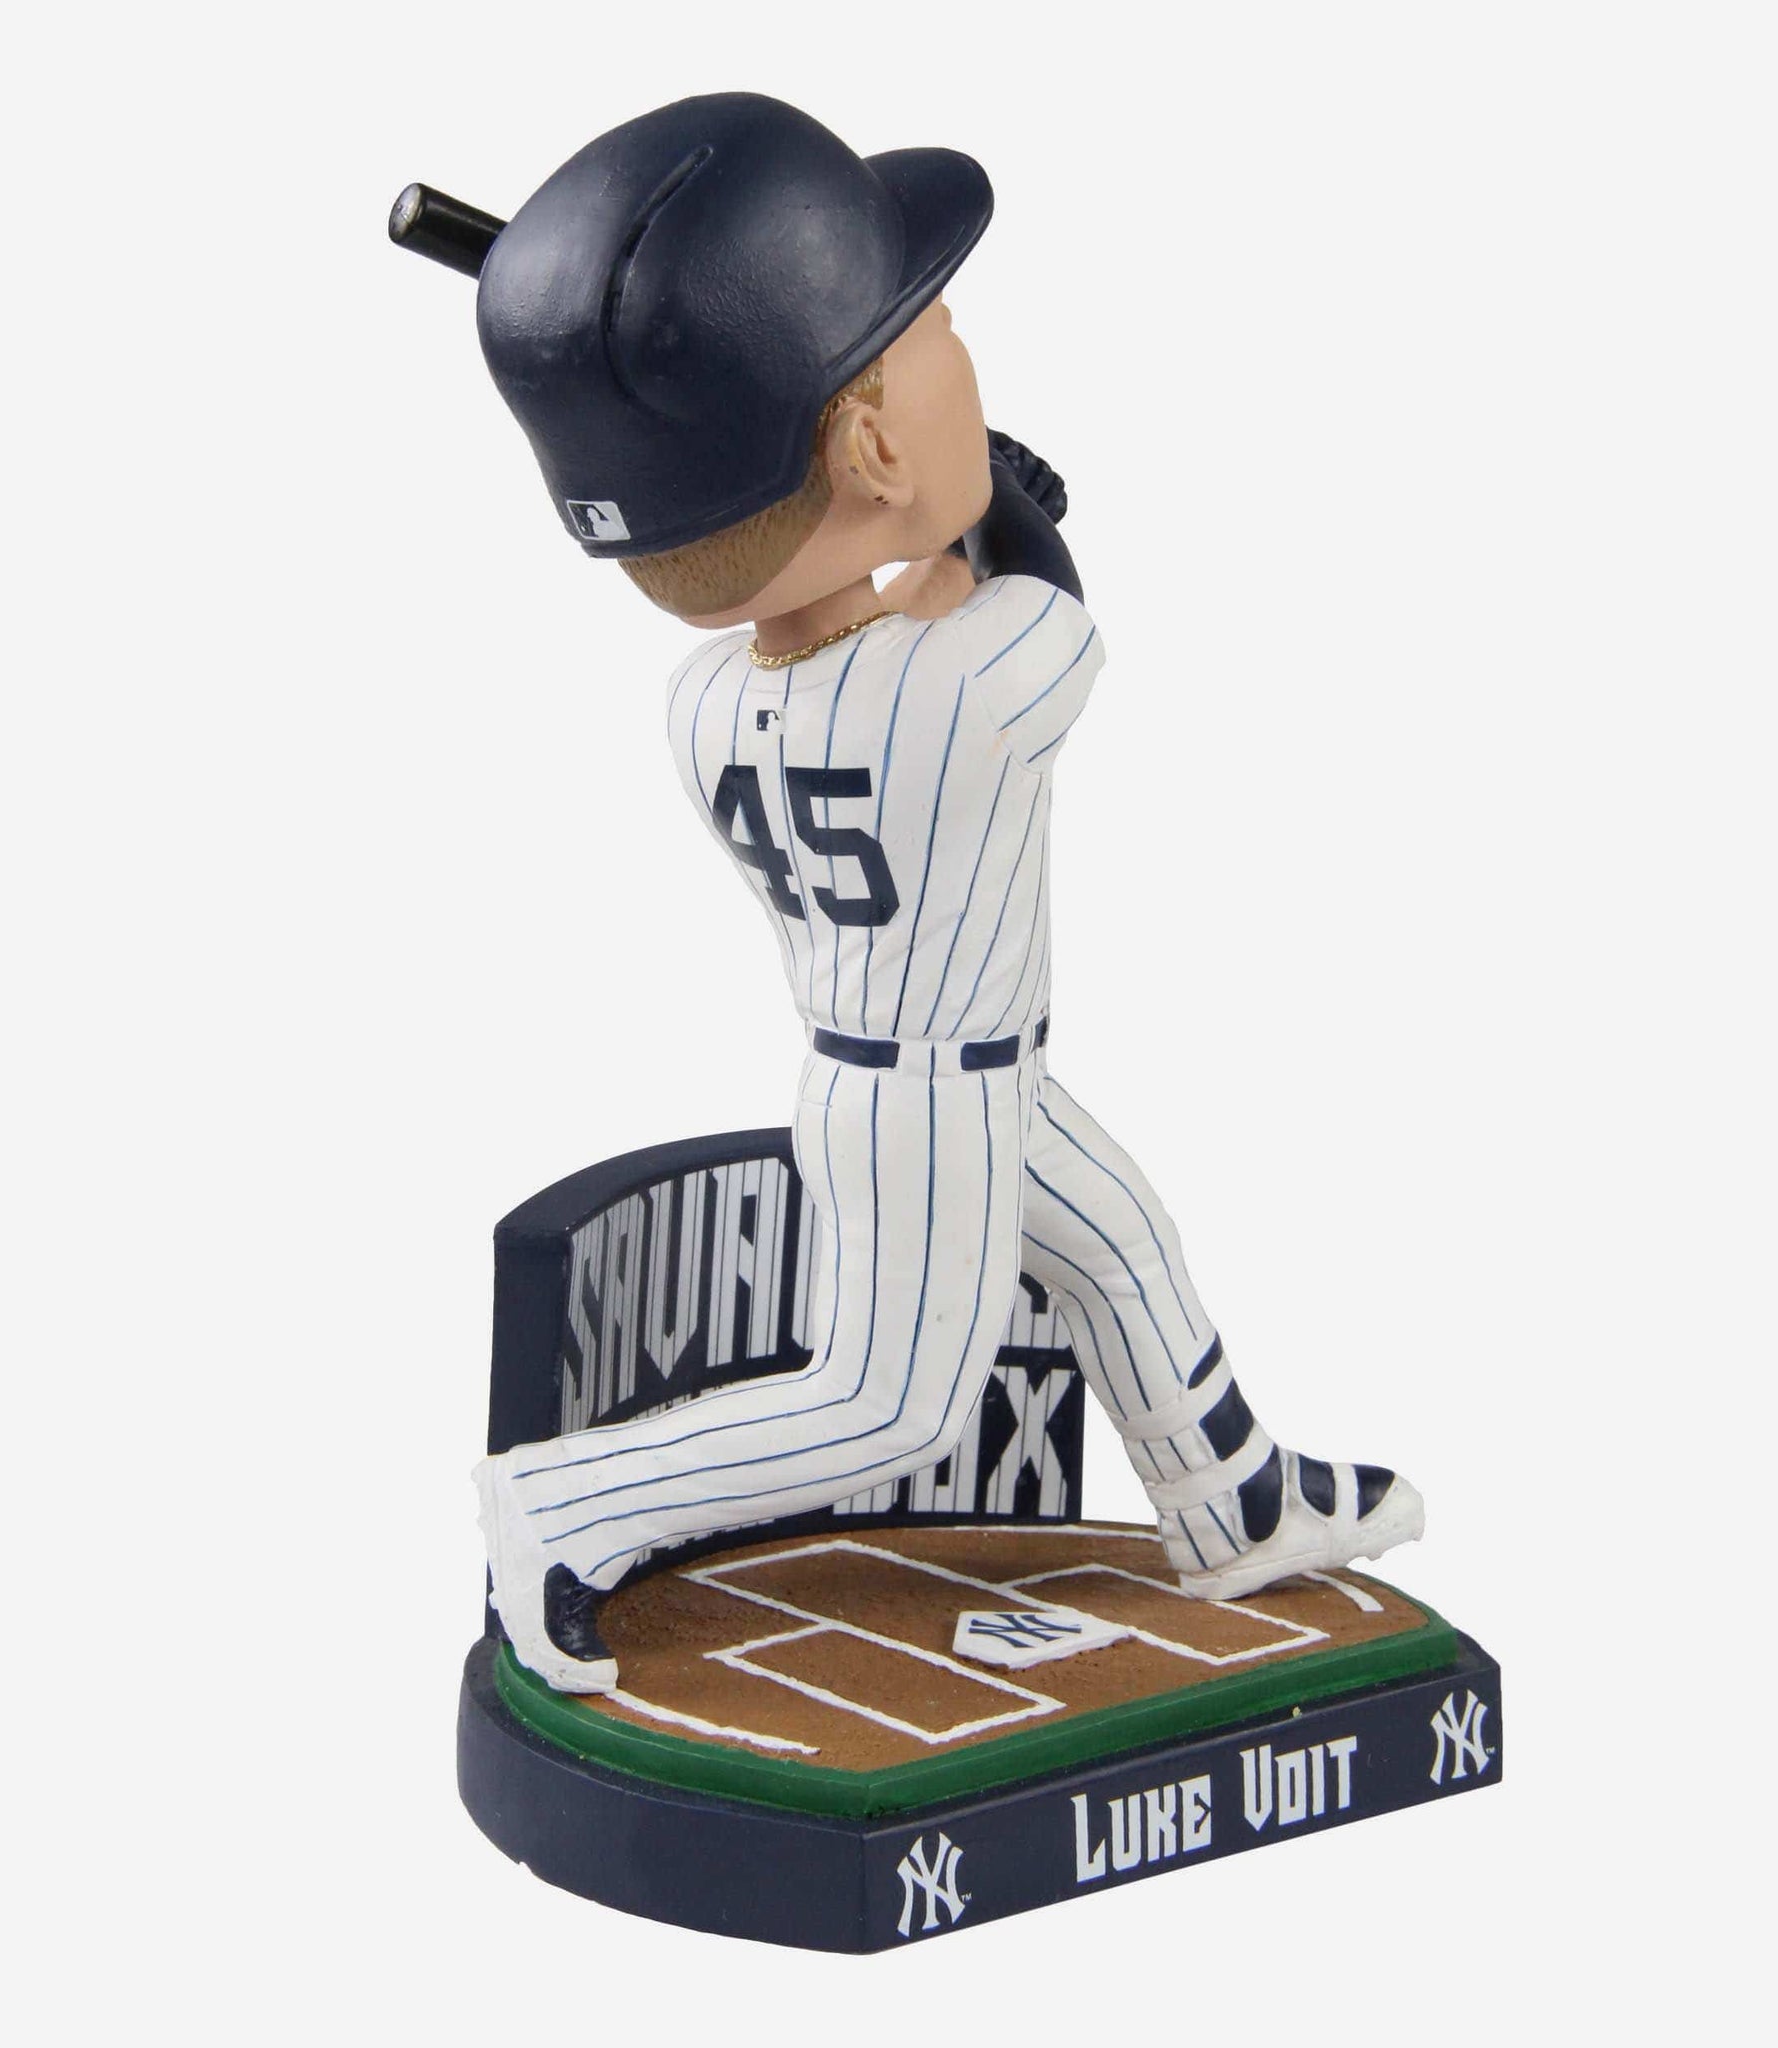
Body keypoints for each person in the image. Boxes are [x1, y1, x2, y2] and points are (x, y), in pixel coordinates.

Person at [469, 94, 1421, 1692]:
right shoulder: (970, 685)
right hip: (933, 1099)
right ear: (873, 450)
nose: (955, 348)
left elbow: (880, 631)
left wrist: (936, 513)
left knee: (1124, 1245)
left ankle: (1233, 1494)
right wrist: (1004, 505)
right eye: (934, 340)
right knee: (882, 1406)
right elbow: (1039, 605)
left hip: (919, 1073)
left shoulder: (702, 706)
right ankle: (560, 1507)